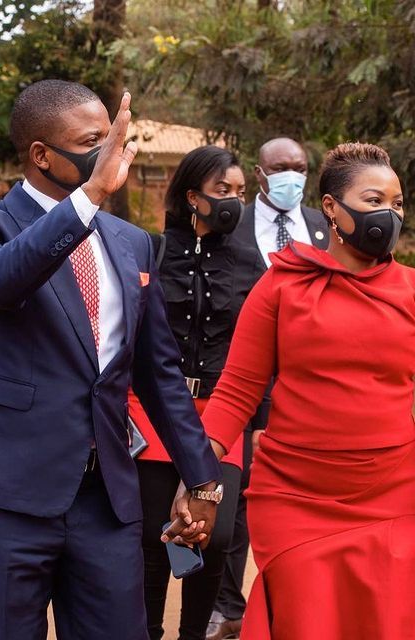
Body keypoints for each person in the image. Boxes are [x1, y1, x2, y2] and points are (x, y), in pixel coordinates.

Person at [0, 79, 223, 640]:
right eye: (94, 139)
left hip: (107, 498)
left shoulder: (132, 242)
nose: (112, 150)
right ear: (41, 154)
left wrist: (202, 480)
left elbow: (157, 371)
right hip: (11, 493)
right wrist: (87, 198)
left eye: (116, 137)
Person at [187, 141, 415, 639]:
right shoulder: (283, 284)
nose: (389, 215)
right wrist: (199, 475)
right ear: (331, 207)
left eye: (397, 204)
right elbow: (237, 392)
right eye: (375, 201)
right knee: (308, 621)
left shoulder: (411, 291)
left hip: (393, 494)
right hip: (297, 496)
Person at [127, 145, 270, 640]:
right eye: (222, 190)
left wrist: (261, 425)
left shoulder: (255, 266)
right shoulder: (151, 251)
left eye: (241, 192)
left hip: (221, 413)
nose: (234, 200)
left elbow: (263, 358)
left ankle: (194, 633)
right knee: (151, 536)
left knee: (215, 533)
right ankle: (146, 630)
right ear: (193, 196)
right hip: (150, 411)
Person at [207, 136, 329, 640]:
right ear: (260, 175)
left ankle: (296, 606)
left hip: (304, 389)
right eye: (281, 169)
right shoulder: (231, 225)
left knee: (298, 501)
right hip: (240, 380)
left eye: (299, 169)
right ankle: (227, 607)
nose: (291, 178)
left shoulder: (324, 226)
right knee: (233, 503)